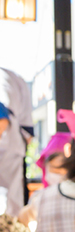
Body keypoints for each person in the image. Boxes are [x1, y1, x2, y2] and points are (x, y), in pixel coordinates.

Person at [16, 131, 72, 232]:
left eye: (60, 170)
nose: (55, 174)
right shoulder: (40, 197)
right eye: (52, 169)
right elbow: (23, 219)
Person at [0, 68, 33, 215]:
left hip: (9, 146)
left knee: (11, 204)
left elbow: (3, 118)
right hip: (13, 145)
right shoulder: (12, 76)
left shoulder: (6, 77)